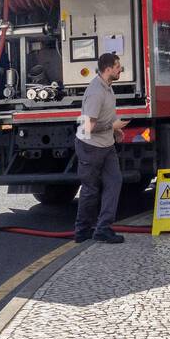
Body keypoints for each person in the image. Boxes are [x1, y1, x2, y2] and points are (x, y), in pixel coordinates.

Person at [74, 53, 127, 243]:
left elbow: (107, 116)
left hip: (106, 146)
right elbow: (87, 127)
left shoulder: (108, 88)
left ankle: (103, 228)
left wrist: (115, 131)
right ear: (108, 69)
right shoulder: (96, 92)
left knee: (114, 182)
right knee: (90, 190)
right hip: (90, 147)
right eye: (118, 66)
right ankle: (81, 230)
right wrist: (111, 128)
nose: (120, 69)